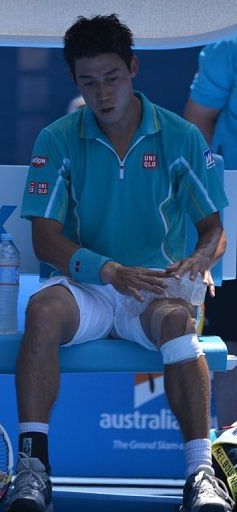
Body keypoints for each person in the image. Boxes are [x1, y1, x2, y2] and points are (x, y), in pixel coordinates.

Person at [5, 14, 234, 512]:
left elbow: (213, 230)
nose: (102, 93)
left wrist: (198, 260)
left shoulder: (181, 138)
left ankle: (200, 474)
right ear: (74, 82)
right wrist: (108, 271)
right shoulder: (57, 139)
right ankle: (33, 470)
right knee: (40, 312)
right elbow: (45, 240)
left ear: (133, 68)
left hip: (153, 287)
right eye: (88, 82)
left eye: (112, 78)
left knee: (178, 323)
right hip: (87, 285)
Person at [184, 36, 237, 428]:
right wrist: (204, 198)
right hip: (232, 200)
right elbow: (196, 127)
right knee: (232, 337)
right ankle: (231, 454)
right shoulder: (228, 49)